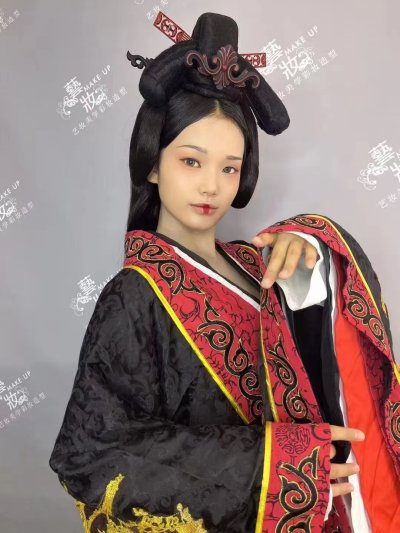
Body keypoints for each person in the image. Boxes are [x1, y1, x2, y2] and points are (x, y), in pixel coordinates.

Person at [49, 12, 400, 533]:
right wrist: (271, 464)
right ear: (153, 163)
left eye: (229, 167)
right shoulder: (133, 296)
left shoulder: (256, 262)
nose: (212, 185)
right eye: (191, 161)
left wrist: (310, 246)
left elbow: (329, 346)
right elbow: (92, 449)